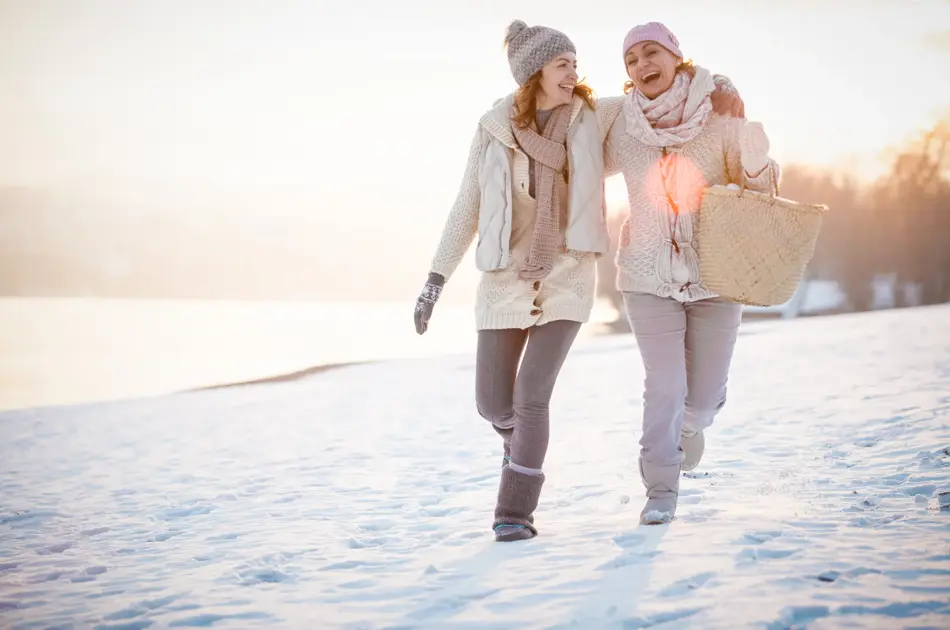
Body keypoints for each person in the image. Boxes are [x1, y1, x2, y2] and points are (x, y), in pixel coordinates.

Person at [414, 20, 745, 541]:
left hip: (568, 274)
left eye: (575, 63)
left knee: (531, 398)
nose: (574, 72)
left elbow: (661, 96)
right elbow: (467, 206)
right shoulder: (493, 129)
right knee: (494, 405)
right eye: (563, 63)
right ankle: (513, 439)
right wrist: (435, 280)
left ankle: (513, 513)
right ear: (534, 73)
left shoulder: (596, 115)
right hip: (504, 278)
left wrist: (719, 82)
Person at [604, 21, 780, 525]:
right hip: (646, 275)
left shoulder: (718, 111)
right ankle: (661, 489)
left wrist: (755, 158)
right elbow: (568, 131)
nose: (642, 65)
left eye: (651, 52)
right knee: (664, 386)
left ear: (676, 56)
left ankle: (689, 428)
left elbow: (760, 191)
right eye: (631, 59)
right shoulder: (620, 121)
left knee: (699, 402)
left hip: (716, 274)